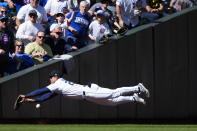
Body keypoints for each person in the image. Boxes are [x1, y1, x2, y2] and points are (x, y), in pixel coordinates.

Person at [14, 70, 150, 110]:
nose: (50, 80)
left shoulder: (58, 83)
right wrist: (30, 100)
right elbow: (46, 97)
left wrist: (26, 94)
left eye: (51, 78)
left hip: (89, 91)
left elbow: (41, 91)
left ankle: (138, 87)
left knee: (114, 92)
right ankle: (133, 97)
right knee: (112, 103)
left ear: (55, 77)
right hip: (89, 95)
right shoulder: (58, 87)